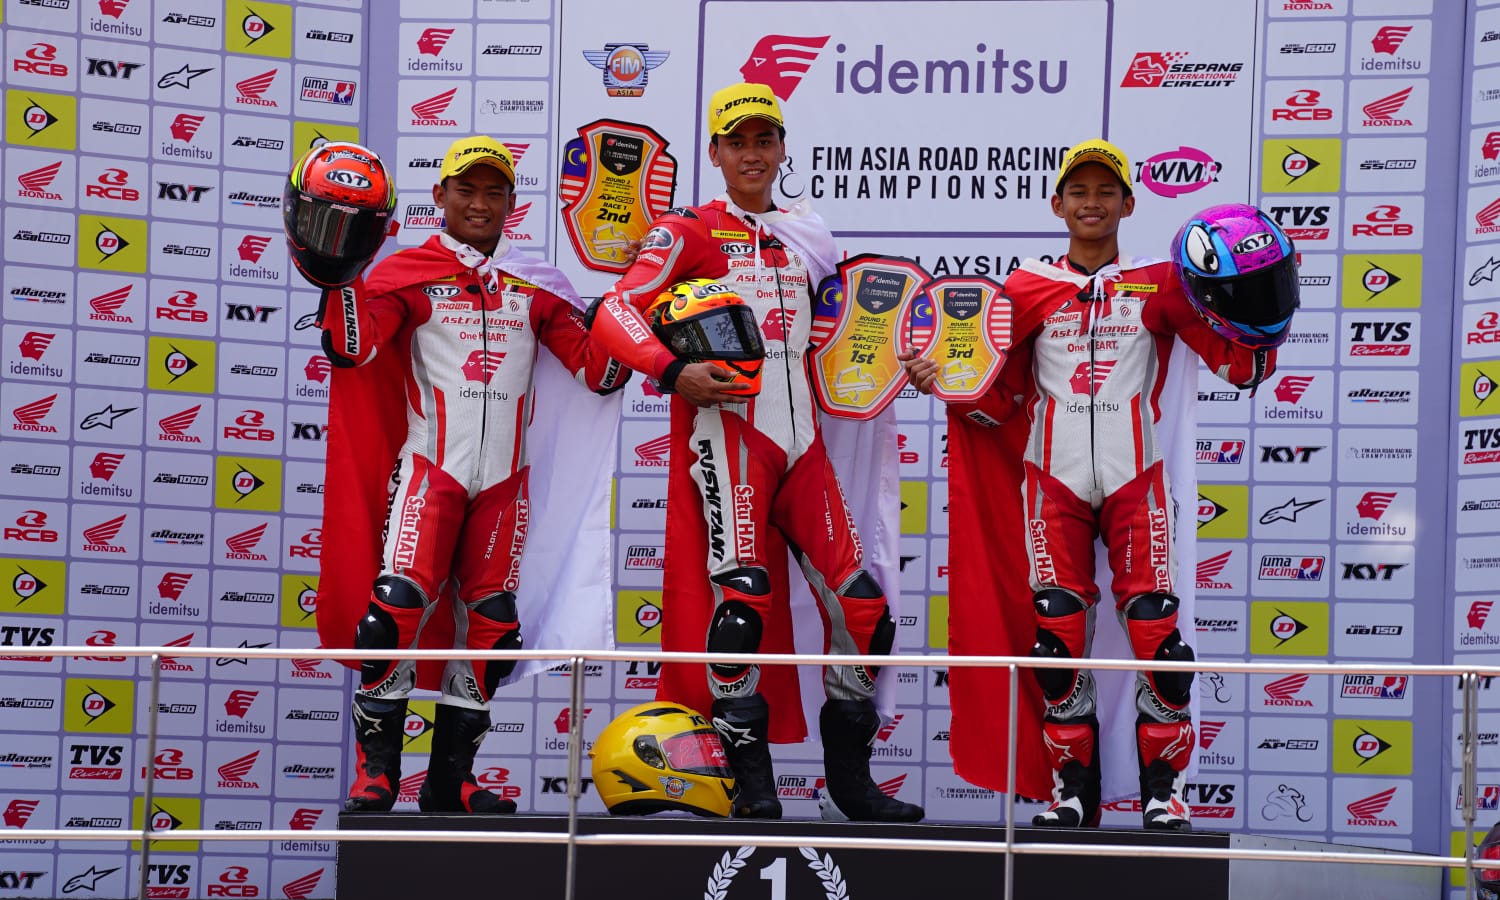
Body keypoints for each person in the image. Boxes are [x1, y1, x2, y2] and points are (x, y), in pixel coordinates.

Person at [905, 139, 1289, 831]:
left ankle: (1162, 792)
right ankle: (1071, 791)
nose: (1092, 203)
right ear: (1057, 204)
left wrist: (1266, 312)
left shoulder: (1161, 283)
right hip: (1051, 483)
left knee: (1158, 632)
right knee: (1054, 637)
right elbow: (997, 404)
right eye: (1078, 191)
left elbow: (1239, 367)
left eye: (1106, 191)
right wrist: (947, 388)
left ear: (1129, 204)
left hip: (1137, 479)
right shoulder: (1023, 291)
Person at [589, 82, 921, 823]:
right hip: (731, 439)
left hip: (805, 448)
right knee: (741, 605)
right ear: (714, 152)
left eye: (763, 140)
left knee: (864, 609)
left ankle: (851, 784)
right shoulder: (689, 230)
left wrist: (913, 365)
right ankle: (751, 784)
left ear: (781, 148)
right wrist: (671, 371)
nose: (751, 154)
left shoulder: (809, 235)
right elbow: (615, 310)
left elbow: (853, 338)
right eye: (736, 141)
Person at [303, 136, 629, 813]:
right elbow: (354, 350)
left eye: (493, 192)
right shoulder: (408, 274)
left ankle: (451, 778)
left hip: (504, 487)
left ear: (511, 203)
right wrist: (340, 278)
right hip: (432, 473)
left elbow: (598, 374)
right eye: (466, 190)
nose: (480, 204)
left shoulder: (536, 286)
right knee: (394, 609)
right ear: (440, 197)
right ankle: (377, 774)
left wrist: (630, 303)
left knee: (494, 624)